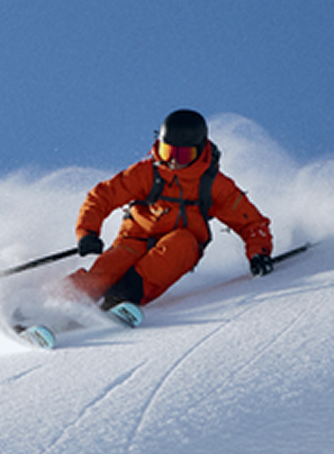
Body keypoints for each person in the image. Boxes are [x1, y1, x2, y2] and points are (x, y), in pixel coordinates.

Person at [66, 109, 274, 311]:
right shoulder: (147, 173)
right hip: (134, 239)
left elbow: (251, 222)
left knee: (179, 245)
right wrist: (88, 233)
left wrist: (259, 252)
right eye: (168, 151)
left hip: (180, 246)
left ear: (199, 151)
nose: (173, 160)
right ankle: (53, 303)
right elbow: (102, 196)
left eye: (183, 155)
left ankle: (120, 299)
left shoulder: (213, 185)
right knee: (102, 276)